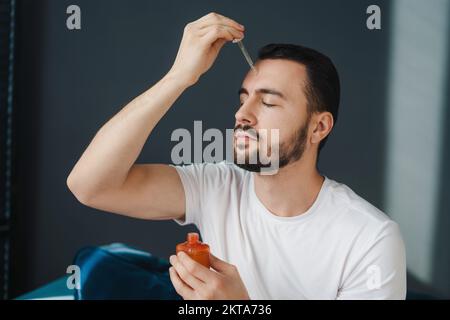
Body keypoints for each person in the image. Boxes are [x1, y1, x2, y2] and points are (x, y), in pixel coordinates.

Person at [67, 12, 406, 300]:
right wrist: (179, 77)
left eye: (269, 101)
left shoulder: (370, 239)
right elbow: (90, 185)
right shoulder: (218, 185)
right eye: (243, 98)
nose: (242, 113)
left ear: (318, 128)